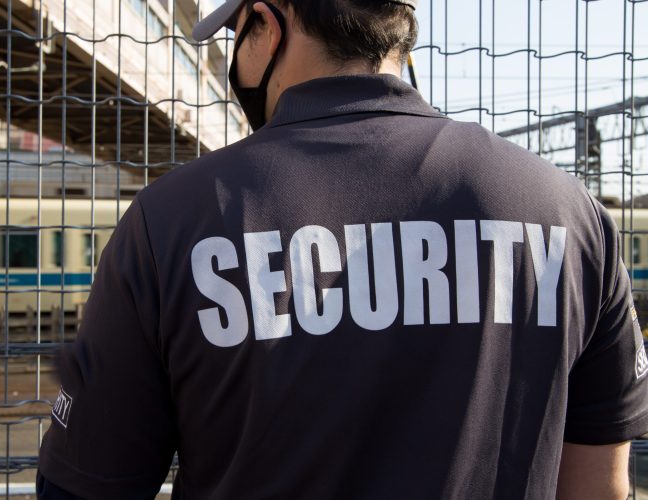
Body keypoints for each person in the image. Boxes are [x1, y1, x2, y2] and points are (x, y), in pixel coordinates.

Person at [36, 0, 648, 498]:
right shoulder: (570, 214)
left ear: (269, 25)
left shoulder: (168, 220)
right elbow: (598, 485)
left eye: (238, 35)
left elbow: (84, 485)